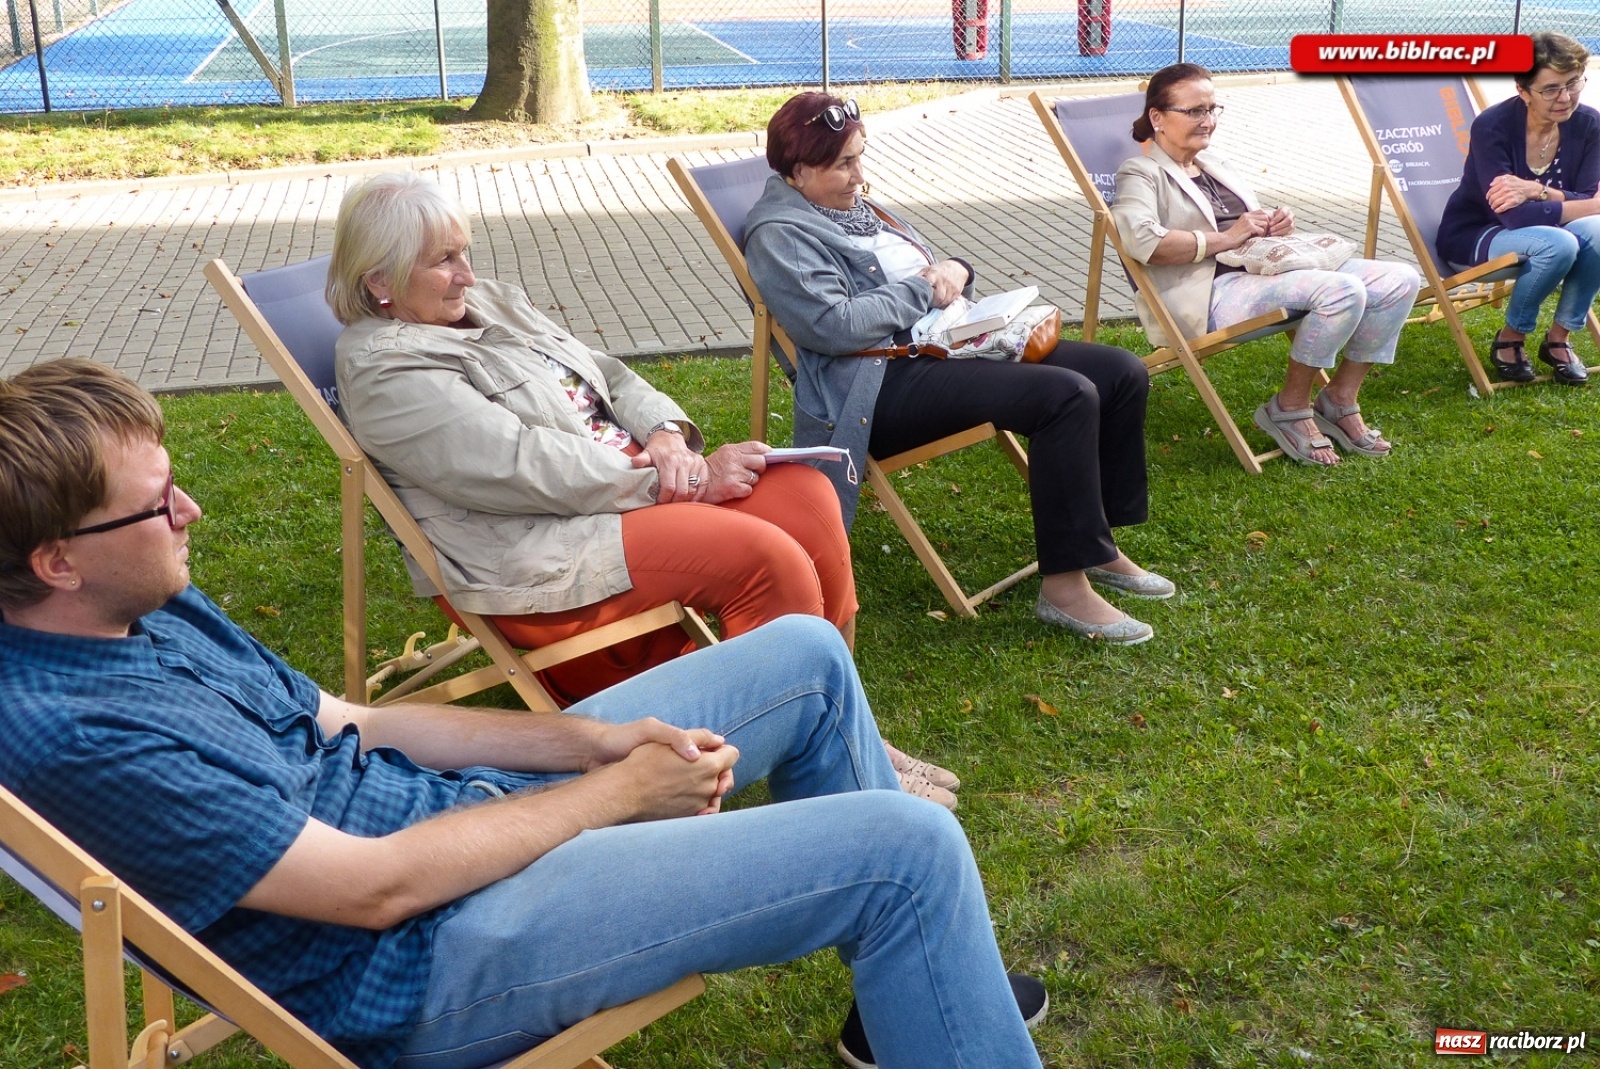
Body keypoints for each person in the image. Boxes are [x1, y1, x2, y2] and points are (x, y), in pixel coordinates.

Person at [0, 358, 1048, 1069]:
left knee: (805, 658)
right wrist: (616, 792)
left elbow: (357, 720)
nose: (189, 510)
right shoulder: (76, 735)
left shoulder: (141, 599)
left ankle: (910, 1003)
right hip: (424, 961)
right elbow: (373, 889)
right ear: (57, 562)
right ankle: (922, 959)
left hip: (459, 822)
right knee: (906, 850)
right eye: (157, 502)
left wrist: (591, 741)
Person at [327, 173, 957, 806]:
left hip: (630, 488)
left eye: (464, 252)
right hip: (541, 545)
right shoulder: (385, 367)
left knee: (806, 498)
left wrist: (663, 434)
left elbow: (608, 373)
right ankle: (829, 773)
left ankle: (846, 728)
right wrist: (679, 482)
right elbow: (521, 467)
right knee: (762, 557)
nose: (466, 274)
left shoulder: (489, 301)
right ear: (379, 280)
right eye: (443, 261)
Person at [744, 91, 1171, 647]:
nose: (859, 175)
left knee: (1120, 372)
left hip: (948, 345)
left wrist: (956, 269)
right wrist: (923, 289)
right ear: (799, 171)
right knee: (1065, 396)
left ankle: (1095, 543)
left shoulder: (854, 206)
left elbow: (935, 269)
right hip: (881, 383)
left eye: (859, 157)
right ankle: (1065, 589)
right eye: (844, 164)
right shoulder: (779, 234)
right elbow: (833, 326)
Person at [1112, 63, 1422, 466]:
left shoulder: (1214, 162)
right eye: (1195, 111)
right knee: (1341, 291)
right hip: (1209, 293)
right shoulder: (1140, 172)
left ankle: (1339, 398)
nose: (1208, 121)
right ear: (1157, 117)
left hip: (1264, 271)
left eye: (1212, 109)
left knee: (1400, 279)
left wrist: (1274, 225)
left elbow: (1246, 227)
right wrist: (1228, 238)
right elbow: (1143, 242)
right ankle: (1289, 408)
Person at [1438, 31, 1599, 386]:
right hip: (1476, 234)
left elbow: (1589, 200)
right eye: (1550, 89)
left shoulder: (1590, 124)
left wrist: (1537, 191)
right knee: (1560, 243)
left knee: (1597, 232)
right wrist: (1577, 202)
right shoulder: (1492, 126)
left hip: (1546, 235)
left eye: (1573, 83)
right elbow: (1514, 216)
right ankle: (1511, 338)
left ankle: (1558, 339)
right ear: (1523, 91)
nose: (1565, 98)